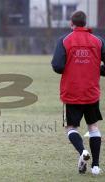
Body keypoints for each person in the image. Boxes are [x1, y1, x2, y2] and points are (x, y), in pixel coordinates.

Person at [51, 11, 105, 175]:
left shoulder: (65, 40)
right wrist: (99, 70)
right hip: (91, 92)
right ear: (85, 23)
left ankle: (82, 151)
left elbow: (58, 66)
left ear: (71, 23)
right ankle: (95, 166)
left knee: (71, 128)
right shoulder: (98, 41)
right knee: (93, 127)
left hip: (72, 92)